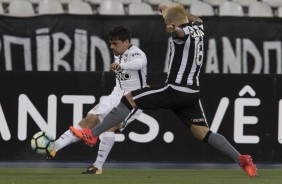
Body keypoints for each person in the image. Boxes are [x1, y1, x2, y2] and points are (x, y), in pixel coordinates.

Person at [70, 3, 258, 177]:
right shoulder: (198, 27)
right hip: (192, 93)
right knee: (203, 132)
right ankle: (241, 159)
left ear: (174, 22)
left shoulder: (181, 32)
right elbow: (194, 19)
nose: (165, 24)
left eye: (167, 21)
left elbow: (179, 33)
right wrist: (170, 11)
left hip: (175, 90)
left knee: (129, 98)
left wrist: (173, 29)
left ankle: (92, 135)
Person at [48, 25, 147, 174]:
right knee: (89, 120)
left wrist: (121, 66)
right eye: (110, 43)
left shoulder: (137, 54)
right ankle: (54, 147)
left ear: (126, 42)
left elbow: (139, 64)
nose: (111, 46)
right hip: (115, 95)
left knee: (109, 127)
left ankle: (98, 166)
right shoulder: (118, 53)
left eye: (115, 43)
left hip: (134, 100)